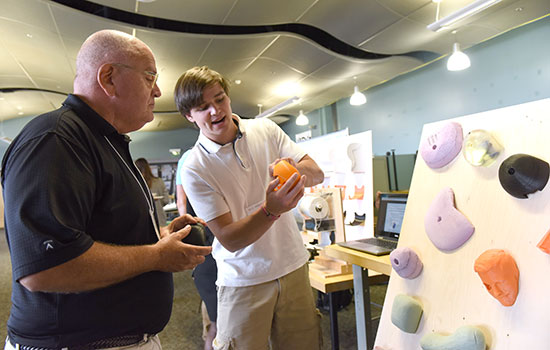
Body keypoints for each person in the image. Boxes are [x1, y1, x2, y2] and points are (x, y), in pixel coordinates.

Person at [1, 30, 211, 350]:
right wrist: (156, 256)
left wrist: (161, 236)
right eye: (149, 77)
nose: (157, 90)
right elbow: (46, 267)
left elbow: (106, 230)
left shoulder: (103, 141)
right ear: (109, 77)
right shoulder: (56, 139)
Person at [174, 66, 325, 349]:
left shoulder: (264, 129)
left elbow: (316, 173)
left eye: (219, 99)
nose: (215, 111)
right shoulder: (195, 167)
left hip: (292, 266)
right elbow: (230, 239)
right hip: (243, 279)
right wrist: (271, 210)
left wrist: (292, 170)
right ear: (189, 116)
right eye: (203, 107)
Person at [176, 150, 218, 350]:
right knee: (218, 325)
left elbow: (181, 204)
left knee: (217, 323)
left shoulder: (190, 159)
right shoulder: (190, 159)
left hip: (210, 251)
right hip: (210, 254)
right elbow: (182, 204)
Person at [135, 157, 170, 226]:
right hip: (159, 218)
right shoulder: (159, 181)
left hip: (141, 221)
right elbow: (166, 200)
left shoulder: (135, 184)